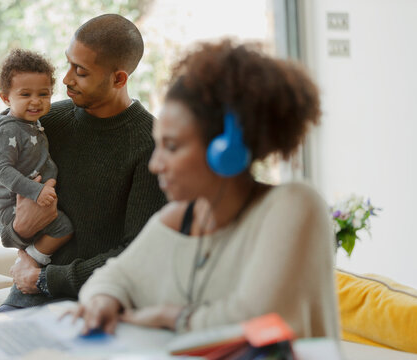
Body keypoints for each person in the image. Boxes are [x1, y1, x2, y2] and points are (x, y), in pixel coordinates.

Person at [76, 40, 340, 339]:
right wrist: (104, 300)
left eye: (172, 147)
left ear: (225, 150)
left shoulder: (294, 205)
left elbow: (258, 321)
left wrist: (169, 317)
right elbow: (111, 278)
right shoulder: (180, 217)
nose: (156, 164)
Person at [0, 14, 167, 311]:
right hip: (28, 292)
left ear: (118, 78)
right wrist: (18, 233)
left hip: (97, 301)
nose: (66, 79)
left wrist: (45, 279)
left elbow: (139, 253)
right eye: (68, 63)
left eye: (81, 71)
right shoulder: (44, 122)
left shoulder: (152, 144)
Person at [0, 49, 73, 267]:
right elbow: (1, 170)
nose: (35, 101)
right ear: (6, 98)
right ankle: (30, 260)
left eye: (43, 94)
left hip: (29, 199)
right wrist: (36, 191)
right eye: (25, 95)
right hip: (10, 205)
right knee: (63, 229)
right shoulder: (8, 130)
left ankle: (31, 259)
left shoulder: (30, 123)